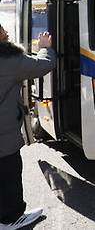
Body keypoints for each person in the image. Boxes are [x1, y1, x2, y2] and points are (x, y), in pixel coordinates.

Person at [0, 24, 55, 230]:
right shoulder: (7, 60)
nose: (6, 31)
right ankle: (11, 219)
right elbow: (42, 65)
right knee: (10, 174)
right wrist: (45, 46)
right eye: (2, 29)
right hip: (3, 136)